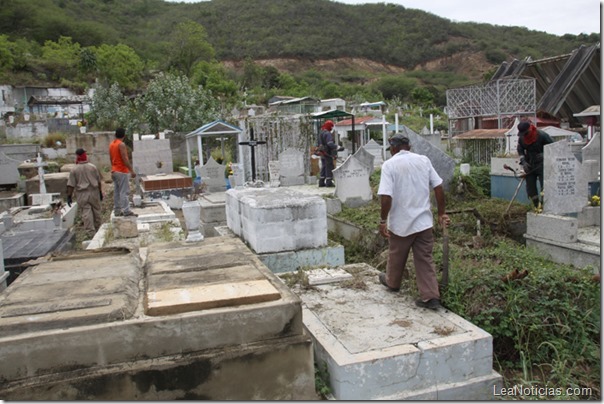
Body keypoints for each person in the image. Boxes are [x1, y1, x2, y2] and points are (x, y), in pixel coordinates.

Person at [377, 134, 450, 310]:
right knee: (425, 259)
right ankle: (431, 297)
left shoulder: (389, 165)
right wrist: (441, 213)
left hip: (402, 223)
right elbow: (438, 187)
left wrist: (382, 220)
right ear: (408, 147)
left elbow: (386, 197)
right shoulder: (423, 160)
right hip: (423, 222)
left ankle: (393, 283)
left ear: (393, 149)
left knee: (396, 254)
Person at [66, 148, 103, 238]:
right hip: (94, 192)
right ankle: (99, 229)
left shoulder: (74, 169)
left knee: (86, 213)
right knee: (96, 210)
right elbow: (99, 182)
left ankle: (90, 233)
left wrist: (69, 196)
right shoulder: (93, 167)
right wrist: (100, 192)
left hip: (82, 193)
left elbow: (71, 185)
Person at [516, 121, 554, 208]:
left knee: (545, 187)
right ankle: (537, 206)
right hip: (530, 165)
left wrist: (545, 154)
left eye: (526, 133)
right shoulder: (522, 138)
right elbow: (520, 149)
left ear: (530, 129)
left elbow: (554, 147)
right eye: (523, 134)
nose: (524, 135)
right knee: (530, 188)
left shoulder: (542, 135)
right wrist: (524, 162)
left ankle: (545, 206)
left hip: (542, 165)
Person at [109, 127, 137, 217]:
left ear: (115, 135)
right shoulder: (121, 144)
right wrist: (131, 170)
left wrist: (113, 168)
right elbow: (125, 158)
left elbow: (111, 158)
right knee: (124, 192)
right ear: (124, 135)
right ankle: (126, 210)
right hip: (121, 171)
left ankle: (117, 210)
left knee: (117, 191)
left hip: (114, 170)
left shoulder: (111, 145)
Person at [318, 120, 338, 187]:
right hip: (328, 153)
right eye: (331, 127)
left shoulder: (321, 133)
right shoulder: (328, 134)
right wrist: (338, 147)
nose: (332, 128)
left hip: (322, 153)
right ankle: (329, 182)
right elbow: (330, 144)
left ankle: (321, 181)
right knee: (329, 166)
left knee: (323, 167)